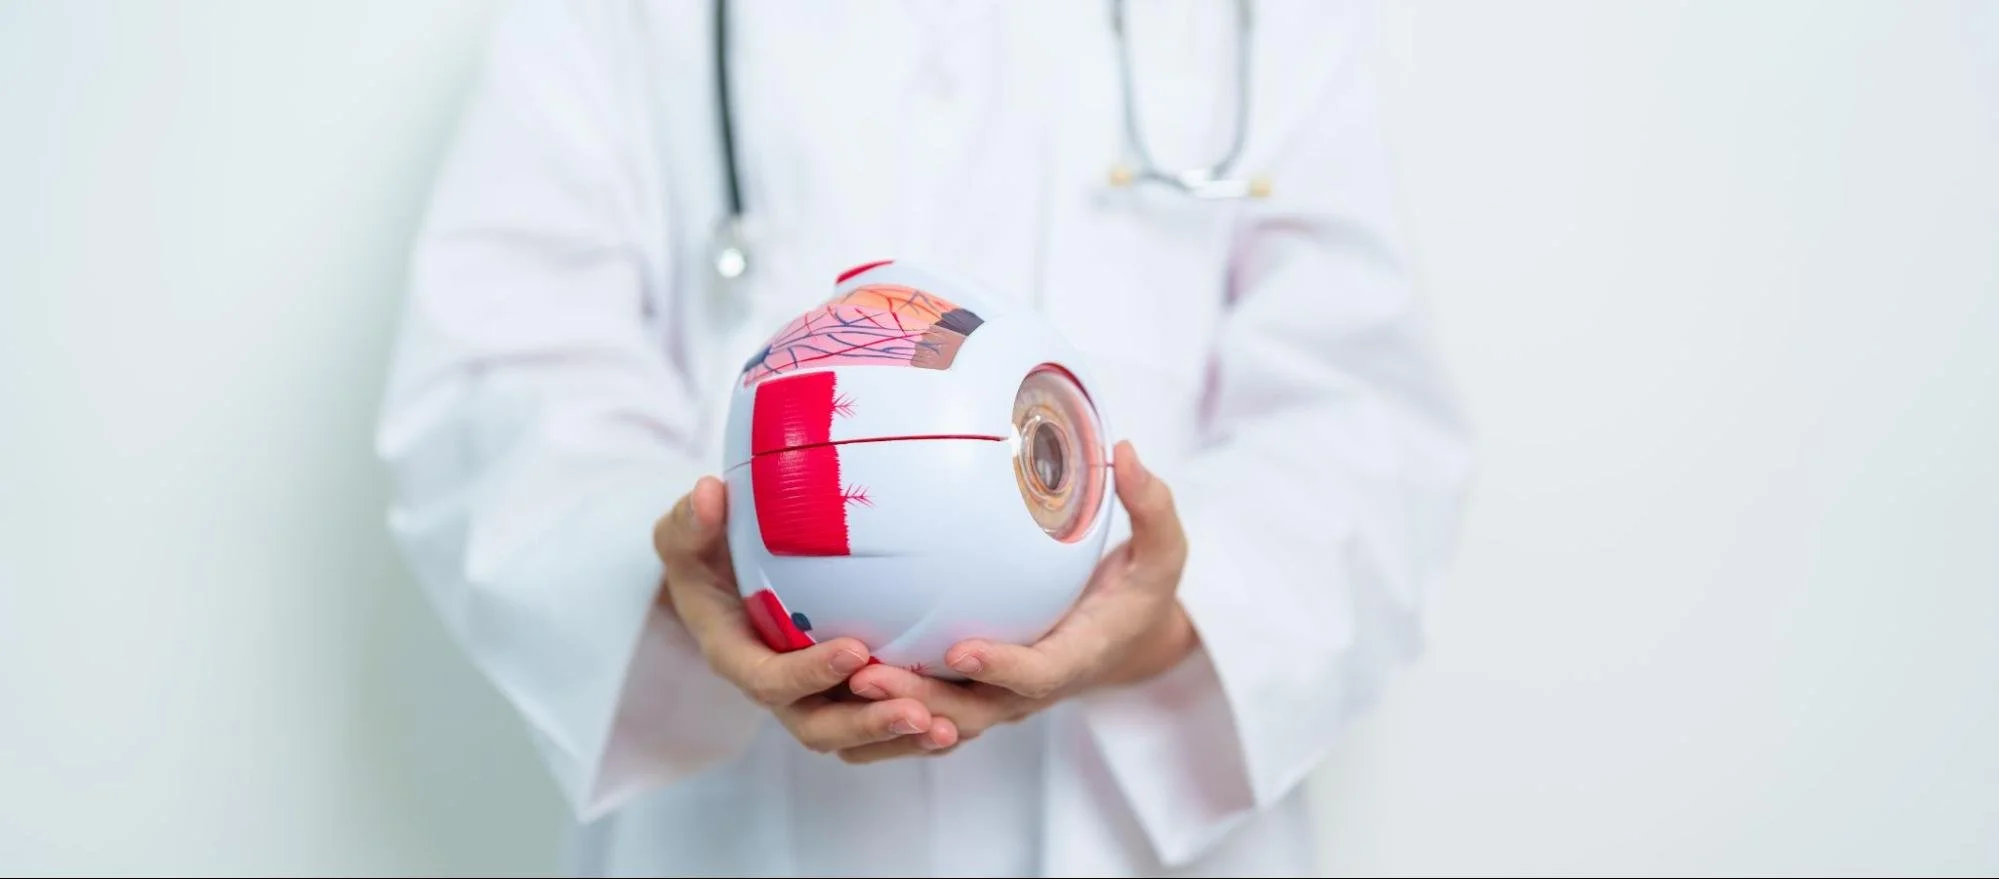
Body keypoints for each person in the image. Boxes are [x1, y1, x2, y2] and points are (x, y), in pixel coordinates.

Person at [374, 0, 1473, 875]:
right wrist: (686, 573)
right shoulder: (606, 19)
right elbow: (494, 388)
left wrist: (1165, 621)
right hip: (735, 835)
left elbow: (1362, 416)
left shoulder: (1268, 19)